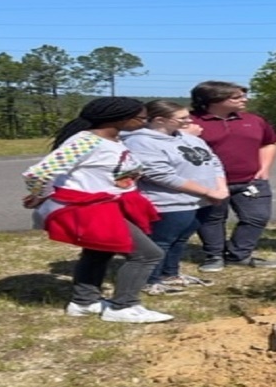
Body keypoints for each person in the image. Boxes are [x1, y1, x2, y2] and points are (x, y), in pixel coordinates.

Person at [21, 97, 173, 324]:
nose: (145, 122)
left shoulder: (114, 139)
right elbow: (39, 173)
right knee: (147, 255)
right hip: (90, 208)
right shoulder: (86, 141)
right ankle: (123, 306)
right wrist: (41, 195)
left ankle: (84, 302)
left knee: (99, 252)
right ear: (119, 118)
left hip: (108, 205)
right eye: (141, 118)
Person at [122, 99, 229, 295]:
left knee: (180, 239)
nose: (189, 121)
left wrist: (220, 188)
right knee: (161, 241)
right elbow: (161, 175)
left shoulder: (189, 138)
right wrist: (207, 191)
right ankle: (151, 280)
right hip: (170, 203)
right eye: (182, 118)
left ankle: (170, 274)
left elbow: (213, 161)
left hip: (202, 201)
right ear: (160, 120)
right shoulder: (140, 141)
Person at [189, 81, 276, 271]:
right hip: (209, 183)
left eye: (243, 96)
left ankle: (239, 255)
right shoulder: (191, 123)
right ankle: (214, 256)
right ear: (214, 100)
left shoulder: (254, 120)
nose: (245, 100)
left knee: (257, 217)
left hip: (251, 181)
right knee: (212, 219)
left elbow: (268, 143)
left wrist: (264, 168)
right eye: (236, 97)